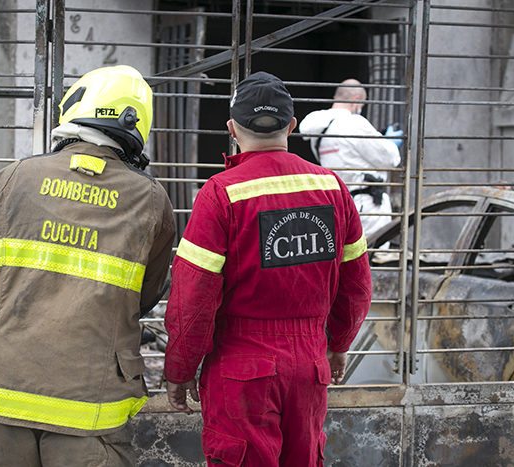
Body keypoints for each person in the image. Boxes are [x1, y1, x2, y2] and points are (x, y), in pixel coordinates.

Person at [0, 65, 176, 467]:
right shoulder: (150, 200)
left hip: (1, 394)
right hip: (90, 410)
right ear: (136, 123)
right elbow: (146, 294)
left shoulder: (12, 177)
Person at [163, 71, 372, 466]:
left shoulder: (220, 194)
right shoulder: (333, 189)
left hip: (242, 366)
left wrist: (180, 367)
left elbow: (193, 296)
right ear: (292, 125)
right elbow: (356, 285)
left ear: (231, 129)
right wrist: (338, 343)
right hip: (310, 365)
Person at [299, 78, 402, 244]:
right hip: (368, 207)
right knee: (374, 255)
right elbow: (391, 159)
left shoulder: (319, 131)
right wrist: (389, 143)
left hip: (340, 204)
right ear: (355, 100)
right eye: (362, 105)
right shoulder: (354, 123)